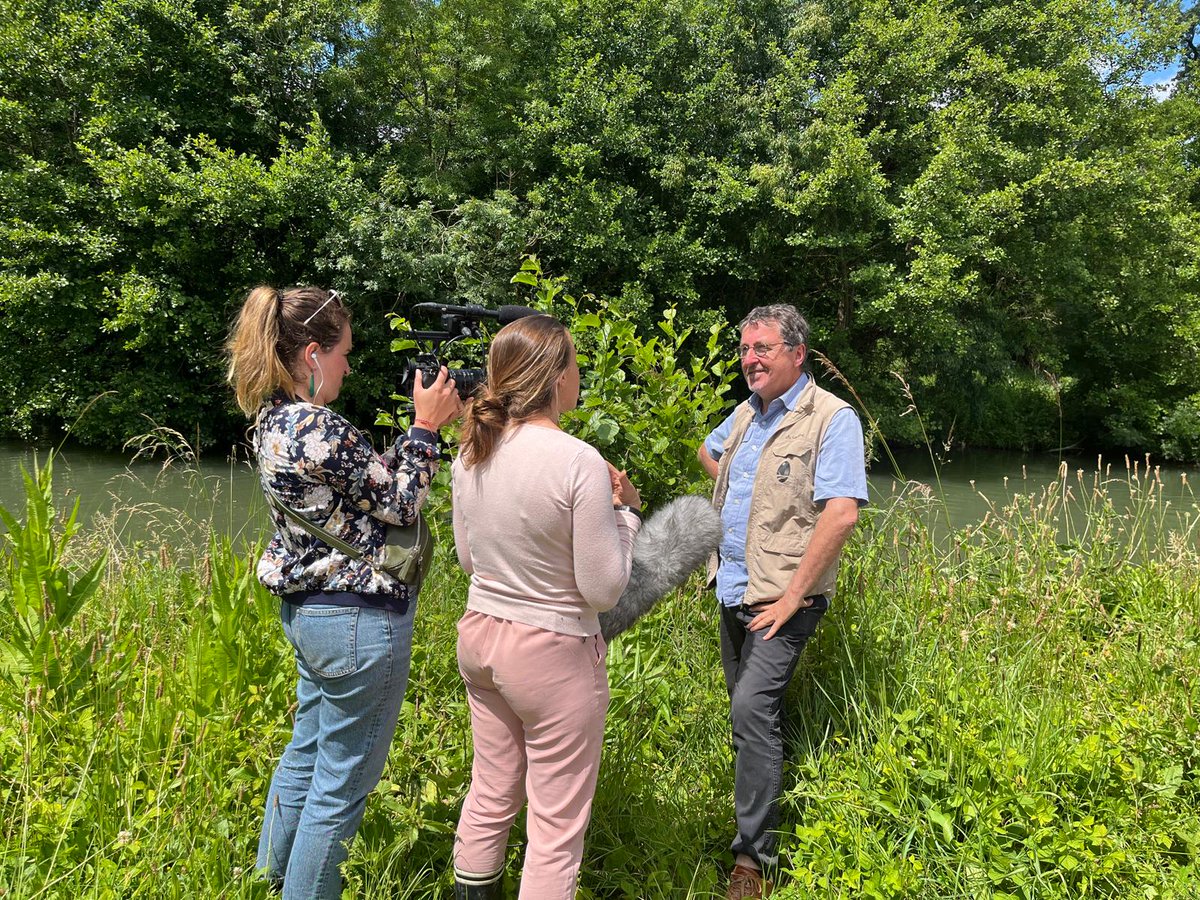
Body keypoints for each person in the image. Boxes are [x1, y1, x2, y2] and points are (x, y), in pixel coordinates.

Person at [226, 285, 461, 900]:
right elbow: (402, 500)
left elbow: (362, 492)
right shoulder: (319, 426)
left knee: (306, 754)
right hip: (358, 623)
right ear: (311, 354)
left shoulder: (272, 423)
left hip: (309, 615)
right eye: (343, 354)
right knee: (340, 785)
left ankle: (266, 880)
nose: (348, 366)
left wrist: (410, 444)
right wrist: (426, 427)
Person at [449, 314, 642, 899]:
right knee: (555, 827)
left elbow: (467, 561)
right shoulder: (577, 459)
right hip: (552, 650)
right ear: (556, 378)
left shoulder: (470, 453)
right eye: (576, 364)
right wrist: (627, 515)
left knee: (491, 789)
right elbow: (604, 589)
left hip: (481, 636)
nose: (579, 376)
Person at [698, 304, 868, 900]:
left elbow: (841, 513)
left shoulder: (832, 419)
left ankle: (752, 863)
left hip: (782, 599)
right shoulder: (748, 413)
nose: (750, 360)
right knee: (750, 716)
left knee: (750, 712)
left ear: (797, 354)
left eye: (763, 349)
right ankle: (763, 810)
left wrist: (795, 596)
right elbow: (708, 450)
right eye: (745, 350)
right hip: (733, 587)